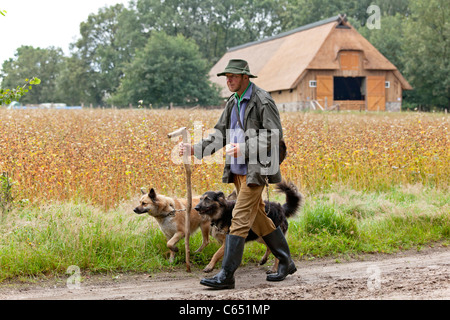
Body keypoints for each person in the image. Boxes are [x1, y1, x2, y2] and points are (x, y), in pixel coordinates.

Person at [179, 59, 296, 289]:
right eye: (226, 77)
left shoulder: (262, 100)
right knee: (259, 217)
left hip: (257, 170)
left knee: (240, 218)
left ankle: (227, 274)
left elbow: (274, 135)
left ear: (246, 77)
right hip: (237, 171)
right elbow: (220, 134)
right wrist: (196, 149)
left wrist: (244, 148)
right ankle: (286, 261)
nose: (229, 80)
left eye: (233, 76)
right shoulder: (233, 102)